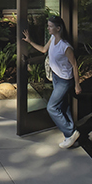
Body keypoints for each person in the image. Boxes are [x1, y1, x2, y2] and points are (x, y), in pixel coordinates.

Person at [23, 15, 81, 148]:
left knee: (52, 107)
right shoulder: (53, 38)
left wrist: (77, 84)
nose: (48, 28)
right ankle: (70, 137)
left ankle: (71, 133)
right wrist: (30, 41)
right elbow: (44, 50)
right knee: (63, 106)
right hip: (56, 77)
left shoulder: (65, 47)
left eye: (50, 26)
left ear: (58, 28)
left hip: (64, 81)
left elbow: (74, 65)